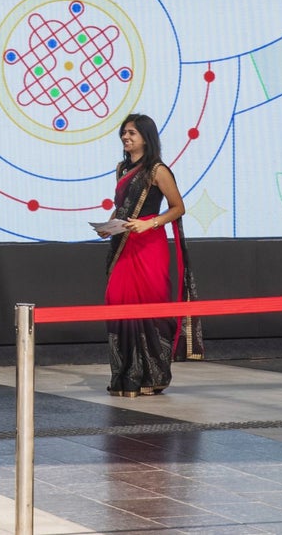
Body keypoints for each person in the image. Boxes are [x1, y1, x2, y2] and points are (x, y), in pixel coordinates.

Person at [100, 113, 200, 397]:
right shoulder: (121, 168)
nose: (126, 137)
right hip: (123, 243)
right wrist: (109, 225)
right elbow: (122, 205)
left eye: (131, 133)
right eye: (124, 132)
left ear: (146, 137)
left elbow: (178, 207)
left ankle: (151, 376)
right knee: (117, 300)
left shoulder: (157, 170)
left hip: (149, 244)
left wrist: (150, 223)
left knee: (149, 304)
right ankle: (125, 375)